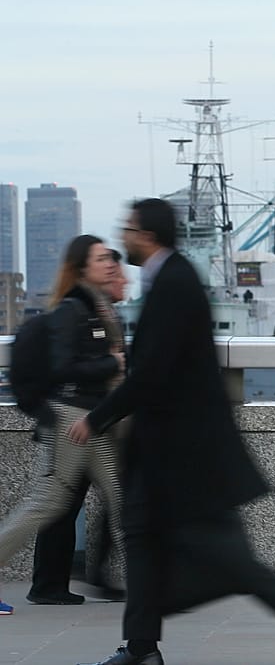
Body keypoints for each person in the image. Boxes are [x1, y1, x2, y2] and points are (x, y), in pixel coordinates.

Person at [69, 198, 275, 665]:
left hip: (184, 450)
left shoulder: (175, 282)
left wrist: (97, 416)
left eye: (128, 228)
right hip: (165, 446)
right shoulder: (169, 278)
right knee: (142, 536)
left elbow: (151, 373)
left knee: (219, 553)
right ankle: (142, 647)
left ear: (146, 235)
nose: (122, 236)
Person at [0, 236, 129, 615]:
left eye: (111, 258)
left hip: (93, 420)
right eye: (101, 259)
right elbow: (63, 368)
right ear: (82, 267)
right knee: (45, 503)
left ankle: (154, 585)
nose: (110, 264)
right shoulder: (73, 310)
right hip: (74, 420)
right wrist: (112, 365)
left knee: (123, 500)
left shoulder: (97, 308)